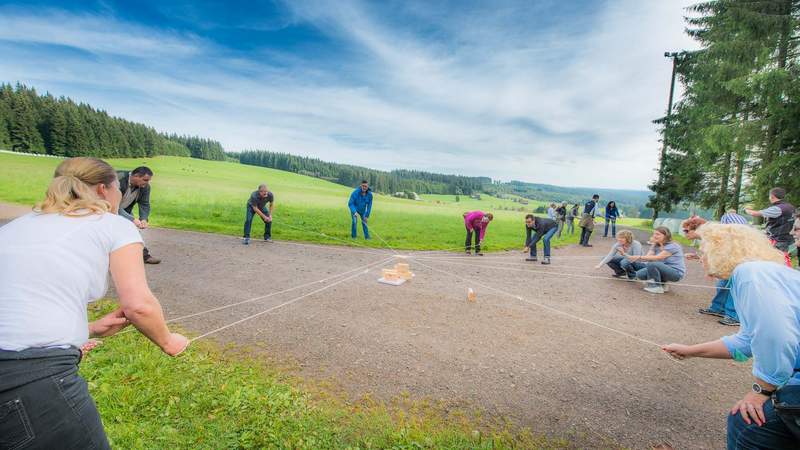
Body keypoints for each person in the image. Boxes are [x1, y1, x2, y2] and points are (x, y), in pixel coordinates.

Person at [0, 157, 188, 449]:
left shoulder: (15, 226)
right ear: (104, 190)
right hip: (29, 379)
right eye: (116, 190)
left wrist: (87, 328)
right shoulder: (112, 225)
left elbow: (20, 301)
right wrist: (168, 341)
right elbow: (139, 305)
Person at [662, 224, 800, 449]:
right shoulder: (765, 273)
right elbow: (747, 341)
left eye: (704, 249)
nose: (700, 256)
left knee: (749, 425)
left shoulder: (750, 274)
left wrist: (762, 390)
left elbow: (776, 335)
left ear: (721, 250)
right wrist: (690, 351)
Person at [683, 216, 739, 326]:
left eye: (686, 230)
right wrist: (697, 257)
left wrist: (708, 269)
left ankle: (734, 316)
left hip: (737, 262)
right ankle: (718, 308)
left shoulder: (712, 236)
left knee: (733, 286)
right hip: (731, 262)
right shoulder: (707, 237)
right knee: (723, 284)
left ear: (697, 229)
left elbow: (721, 253)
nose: (684, 233)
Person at [620, 226, 685, 294]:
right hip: (662, 268)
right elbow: (647, 258)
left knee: (653, 264)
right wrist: (628, 256)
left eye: (658, 234)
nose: (654, 236)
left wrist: (638, 257)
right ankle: (663, 285)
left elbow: (657, 257)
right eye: (654, 234)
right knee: (640, 274)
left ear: (666, 236)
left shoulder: (673, 246)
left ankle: (656, 287)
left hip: (676, 273)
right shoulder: (656, 245)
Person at [117, 166, 160, 264]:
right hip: (104, 208)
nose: (147, 183)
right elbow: (112, 205)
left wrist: (144, 219)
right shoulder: (117, 180)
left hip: (123, 210)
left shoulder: (145, 187)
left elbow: (144, 204)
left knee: (133, 230)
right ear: (135, 176)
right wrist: (131, 219)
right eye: (145, 180)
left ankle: (144, 255)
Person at [745, 187, 795, 261]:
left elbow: (754, 213)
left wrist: (746, 210)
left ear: (772, 196)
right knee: (782, 259)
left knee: (775, 260)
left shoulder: (777, 209)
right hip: (786, 238)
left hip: (777, 239)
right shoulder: (790, 206)